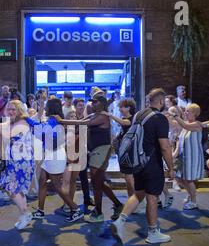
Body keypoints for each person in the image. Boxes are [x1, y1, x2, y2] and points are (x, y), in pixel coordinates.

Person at [111, 88, 174, 244]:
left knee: (138, 193)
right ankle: (153, 232)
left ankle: (120, 222)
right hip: (151, 162)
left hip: (137, 162)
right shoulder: (159, 118)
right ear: (160, 101)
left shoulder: (139, 114)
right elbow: (165, 146)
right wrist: (171, 167)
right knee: (152, 196)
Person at [54, 95, 124, 223]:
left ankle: (98, 212)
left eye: (95, 102)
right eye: (91, 102)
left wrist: (62, 120)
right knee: (99, 182)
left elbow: (82, 123)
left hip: (101, 150)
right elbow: (82, 120)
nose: (92, 104)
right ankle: (117, 205)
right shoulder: (95, 115)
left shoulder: (103, 116)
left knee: (96, 182)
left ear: (101, 103)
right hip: (95, 151)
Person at [30, 98, 82, 223]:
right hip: (50, 155)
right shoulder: (53, 120)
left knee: (57, 186)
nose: (46, 108)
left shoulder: (54, 121)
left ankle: (75, 209)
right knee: (42, 181)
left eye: (47, 106)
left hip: (55, 156)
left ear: (51, 108)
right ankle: (40, 211)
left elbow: (44, 134)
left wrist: (25, 119)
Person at [0, 100, 35, 229]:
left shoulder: (23, 122)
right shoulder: (10, 123)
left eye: (14, 109)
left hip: (21, 162)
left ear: (19, 110)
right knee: (15, 189)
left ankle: (25, 213)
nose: (11, 111)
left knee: (11, 188)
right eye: (9, 109)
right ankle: (24, 214)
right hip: (12, 161)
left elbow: (10, 136)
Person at [172, 104, 204, 210]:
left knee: (189, 180)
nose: (185, 113)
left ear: (194, 113)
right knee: (179, 177)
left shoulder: (197, 124)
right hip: (184, 157)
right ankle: (190, 195)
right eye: (185, 111)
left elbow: (185, 126)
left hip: (193, 157)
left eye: (188, 111)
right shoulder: (185, 124)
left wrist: (175, 116)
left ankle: (194, 202)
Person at [109, 98, 136, 200]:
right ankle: (131, 199)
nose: (120, 109)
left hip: (129, 152)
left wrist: (110, 115)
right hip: (124, 152)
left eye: (122, 107)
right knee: (127, 177)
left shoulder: (132, 119)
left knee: (129, 178)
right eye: (120, 107)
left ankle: (135, 200)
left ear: (129, 108)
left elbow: (124, 123)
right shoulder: (126, 118)